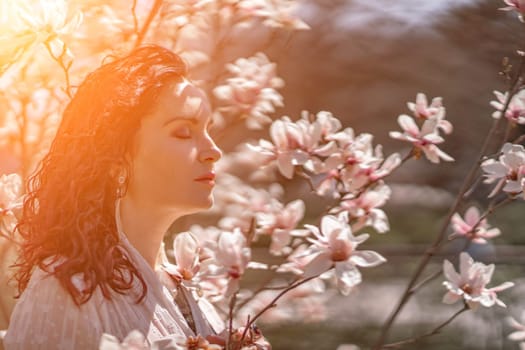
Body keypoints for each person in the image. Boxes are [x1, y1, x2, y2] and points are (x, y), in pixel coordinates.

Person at [3, 44, 225, 349]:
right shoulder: (69, 293)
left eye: (208, 130)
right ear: (117, 158)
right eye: (183, 132)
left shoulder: (183, 285)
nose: (214, 151)